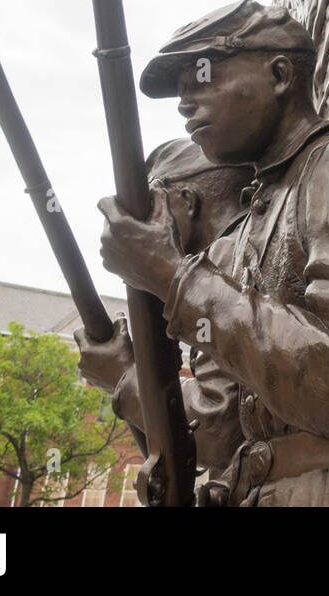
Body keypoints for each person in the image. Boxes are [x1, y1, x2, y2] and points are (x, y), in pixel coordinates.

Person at [97, 0, 329, 506]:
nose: (185, 103)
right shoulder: (252, 224)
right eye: (181, 91)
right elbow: (223, 431)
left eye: (203, 77)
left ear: (278, 75)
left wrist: (168, 275)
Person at [75, 138, 252, 480]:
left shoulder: (228, 260)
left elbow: (217, 428)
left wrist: (124, 377)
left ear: (186, 201)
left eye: (153, 205)